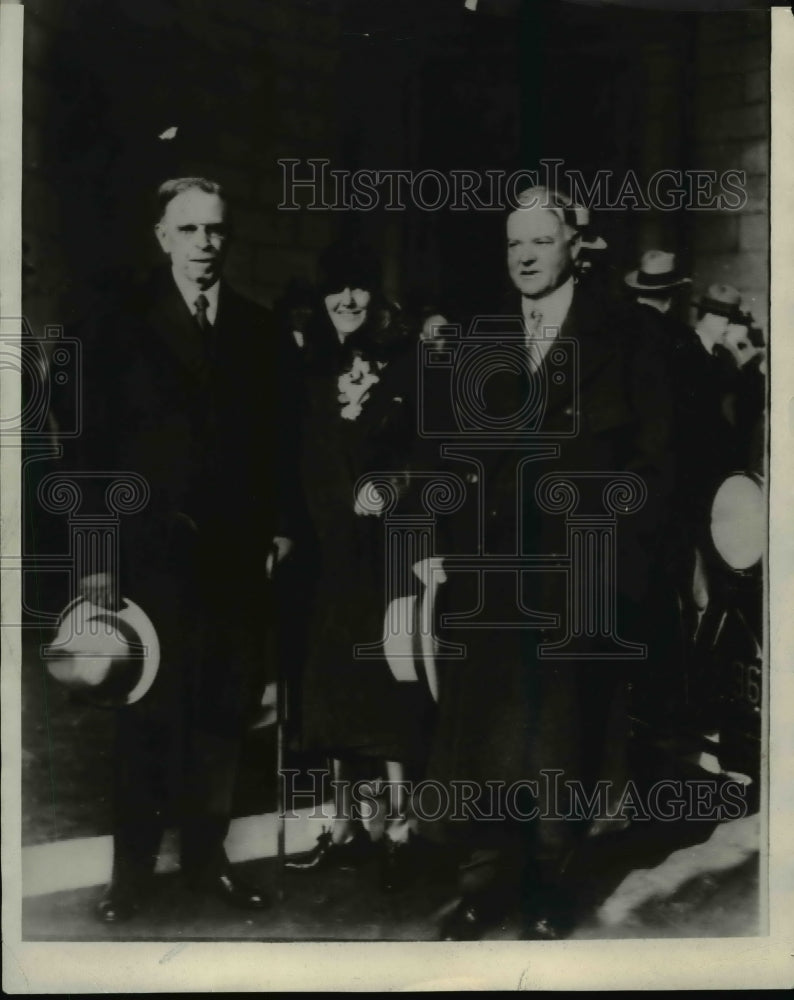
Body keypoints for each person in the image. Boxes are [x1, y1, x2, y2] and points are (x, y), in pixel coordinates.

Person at [418, 185, 676, 940]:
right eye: (512, 244)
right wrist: (442, 548)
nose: (524, 256)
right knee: (483, 740)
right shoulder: (484, 335)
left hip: (577, 569)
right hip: (489, 574)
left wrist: (617, 559)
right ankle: (484, 883)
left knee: (561, 737)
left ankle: (549, 886)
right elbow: (451, 454)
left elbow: (658, 464)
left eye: (539, 241)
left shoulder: (628, 334)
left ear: (574, 247)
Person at [74, 177, 298, 922]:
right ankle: (130, 875)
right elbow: (85, 452)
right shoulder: (117, 325)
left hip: (232, 561)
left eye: (217, 231)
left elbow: (277, 446)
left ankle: (206, 863)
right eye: (191, 230)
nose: (206, 244)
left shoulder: (259, 329)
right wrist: (98, 555)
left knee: (220, 719)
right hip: (144, 560)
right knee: (144, 718)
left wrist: (280, 526)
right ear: (163, 237)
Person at [284, 241, 435, 890]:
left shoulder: (406, 365)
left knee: (389, 690)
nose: (347, 300)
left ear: (375, 298)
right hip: (323, 560)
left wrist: (395, 484)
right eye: (336, 288)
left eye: (359, 288)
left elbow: (436, 455)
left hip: (386, 557)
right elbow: (286, 464)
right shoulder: (305, 369)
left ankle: (401, 828)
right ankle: (341, 824)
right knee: (326, 695)